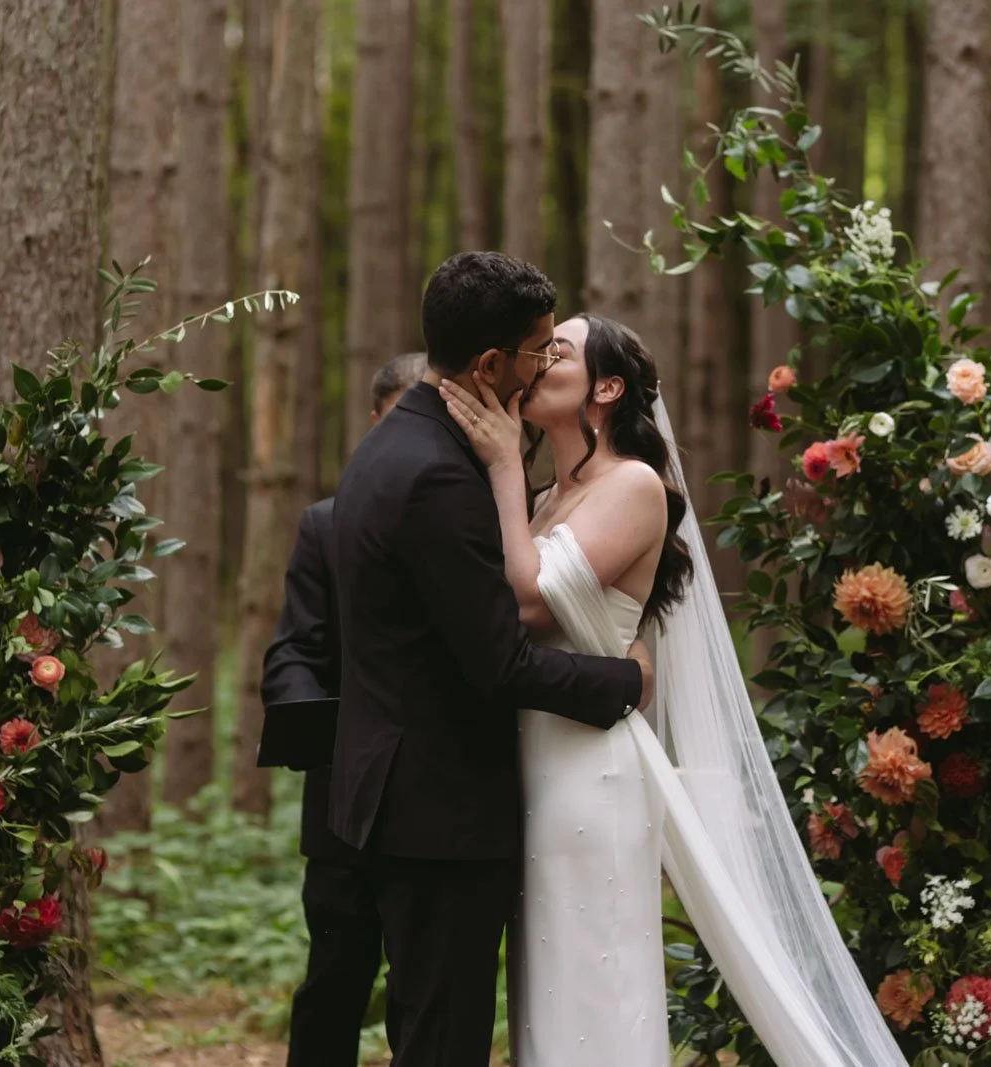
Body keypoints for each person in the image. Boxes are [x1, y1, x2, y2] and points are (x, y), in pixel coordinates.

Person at [443, 312, 908, 1067]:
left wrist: (498, 463)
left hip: (591, 775)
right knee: (547, 990)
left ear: (607, 386)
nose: (538, 362)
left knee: (598, 987)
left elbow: (527, 603)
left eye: (558, 350)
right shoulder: (544, 500)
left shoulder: (633, 485)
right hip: (535, 765)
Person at [326, 251, 654, 1067]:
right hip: (439, 810)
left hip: (427, 797)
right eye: (538, 348)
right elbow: (501, 662)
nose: (544, 362)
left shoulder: (404, 444)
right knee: (442, 1044)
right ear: (489, 364)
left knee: (436, 1033)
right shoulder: (438, 472)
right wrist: (628, 680)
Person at [261, 351, 426, 1067]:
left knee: (424, 995)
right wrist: (313, 721)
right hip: (343, 804)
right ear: (374, 420)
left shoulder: (476, 522)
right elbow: (293, 649)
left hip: (442, 803)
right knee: (333, 982)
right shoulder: (325, 527)